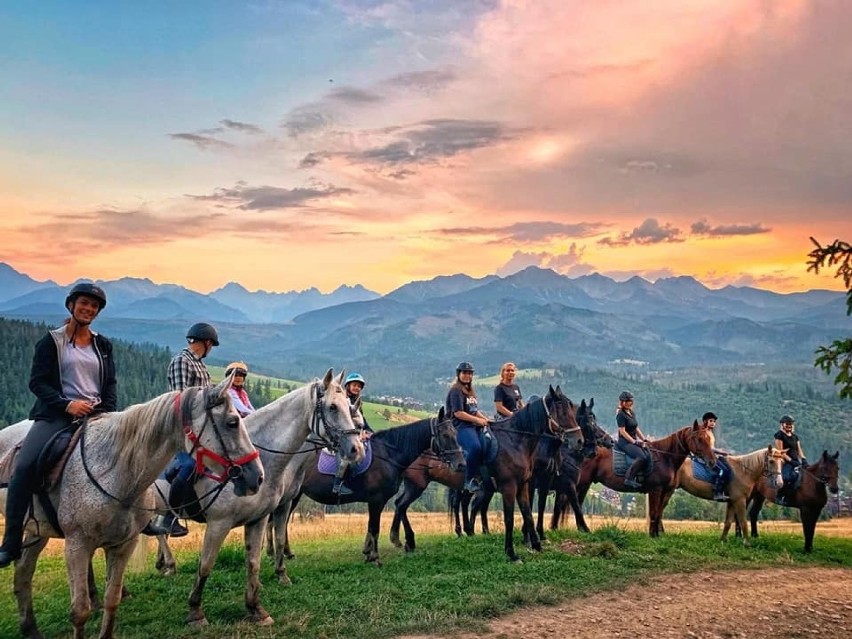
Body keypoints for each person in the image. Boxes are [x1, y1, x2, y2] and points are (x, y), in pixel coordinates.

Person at [1, 283, 127, 568]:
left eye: (94, 306)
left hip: (97, 415)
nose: (89, 309)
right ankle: (10, 543)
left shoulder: (102, 345)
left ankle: (136, 520)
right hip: (56, 415)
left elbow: (110, 385)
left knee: (131, 456)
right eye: (84, 303)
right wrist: (66, 404)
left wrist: (106, 412)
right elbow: (37, 382)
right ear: (71, 305)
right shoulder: (51, 342)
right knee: (25, 466)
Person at [159, 321, 219, 537]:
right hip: (183, 427)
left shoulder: (199, 364)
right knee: (189, 466)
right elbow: (180, 399)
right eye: (211, 345)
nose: (211, 349)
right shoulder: (181, 361)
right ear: (207, 342)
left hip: (202, 426)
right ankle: (169, 516)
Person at [446, 362, 490, 493]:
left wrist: (486, 420)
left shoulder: (470, 391)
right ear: (458, 374)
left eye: (470, 373)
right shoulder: (456, 390)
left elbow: (474, 411)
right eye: (464, 373)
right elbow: (458, 413)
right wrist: (478, 420)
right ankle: (469, 480)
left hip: (471, 426)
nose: (467, 376)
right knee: (475, 447)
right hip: (459, 427)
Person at [332, 372, 373, 496]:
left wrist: (371, 432)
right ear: (348, 385)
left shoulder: (357, 402)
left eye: (359, 386)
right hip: (341, 434)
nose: (357, 388)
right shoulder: (343, 400)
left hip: (354, 434)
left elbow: (362, 420)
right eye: (355, 385)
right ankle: (337, 484)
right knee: (347, 457)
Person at [615, 390, 652, 488]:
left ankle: (643, 476)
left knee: (648, 453)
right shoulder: (621, 415)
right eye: (628, 401)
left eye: (631, 401)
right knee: (641, 457)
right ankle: (629, 478)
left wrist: (643, 439)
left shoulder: (631, 412)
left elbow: (636, 428)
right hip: (625, 442)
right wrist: (635, 442)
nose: (630, 402)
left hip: (632, 440)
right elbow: (622, 431)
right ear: (623, 402)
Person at [774, 415, 806, 506]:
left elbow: (799, 450)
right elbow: (780, 452)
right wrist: (791, 461)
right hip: (785, 461)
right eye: (787, 424)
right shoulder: (779, 435)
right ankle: (780, 495)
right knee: (787, 477)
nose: (789, 425)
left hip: (796, 461)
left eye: (791, 424)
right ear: (782, 424)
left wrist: (803, 459)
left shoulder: (795, 437)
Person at [702, 411, 731, 501]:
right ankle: (717, 492)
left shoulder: (711, 433)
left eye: (714, 421)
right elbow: (709, 448)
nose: (713, 423)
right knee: (722, 470)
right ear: (705, 421)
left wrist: (719, 452)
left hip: (714, 455)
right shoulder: (704, 433)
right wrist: (720, 452)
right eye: (711, 421)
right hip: (707, 456)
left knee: (729, 468)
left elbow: (712, 447)